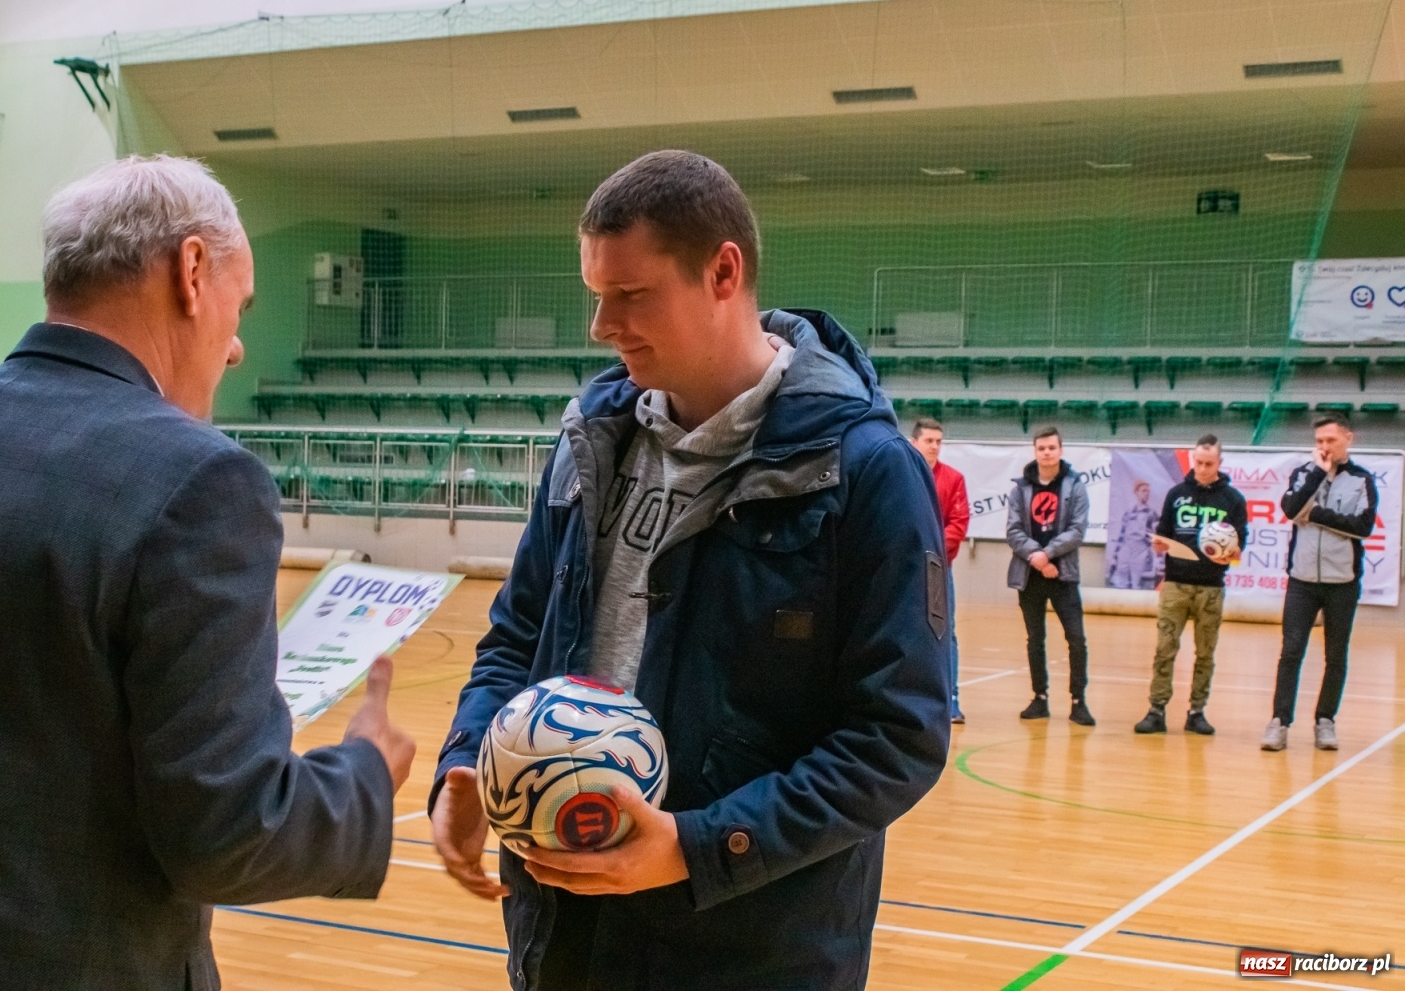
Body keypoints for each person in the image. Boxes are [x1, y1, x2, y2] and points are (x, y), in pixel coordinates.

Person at [0, 156, 415, 990]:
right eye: (240, 308)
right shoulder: (202, 480)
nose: (236, 346)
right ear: (191, 272)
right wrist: (366, 775)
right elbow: (229, 833)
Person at [429, 150, 950, 991]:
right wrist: (468, 756)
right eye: (595, 295)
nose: (601, 325)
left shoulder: (866, 471)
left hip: (752, 947)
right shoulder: (590, 439)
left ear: (722, 271)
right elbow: (517, 634)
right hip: (564, 928)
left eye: (630, 296)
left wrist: (699, 846)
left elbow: (897, 740)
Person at [1262, 414, 1379, 753]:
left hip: (1342, 582)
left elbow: (1362, 526)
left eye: (1331, 440)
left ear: (1348, 439)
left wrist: (1314, 516)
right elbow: (1290, 509)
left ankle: (1325, 721)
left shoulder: (1362, 480)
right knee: (1291, 651)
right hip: (1301, 581)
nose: (1325, 447)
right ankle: (1279, 722)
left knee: (1336, 655)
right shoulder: (1303, 474)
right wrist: (1316, 474)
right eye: (1319, 442)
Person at [1133, 435, 1247, 736]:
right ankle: (1156, 709)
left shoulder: (1233, 500)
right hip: (1175, 585)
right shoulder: (1176, 494)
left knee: (1205, 653)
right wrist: (1159, 545)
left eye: (1209, 464)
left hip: (1211, 588)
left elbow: (1239, 546)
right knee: (1164, 648)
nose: (1203, 468)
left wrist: (1232, 554)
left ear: (1220, 463)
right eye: (1198, 462)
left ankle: (1197, 711)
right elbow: (1163, 533)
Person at [1005, 427, 1095, 726]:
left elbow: (1077, 530)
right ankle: (1039, 698)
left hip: (1063, 574)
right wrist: (1037, 557)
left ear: (1060, 450)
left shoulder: (1075, 485)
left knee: (1077, 638)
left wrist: (1050, 554)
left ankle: (1078, 700)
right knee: (1035, 639)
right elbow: (1013, 530)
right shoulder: (1020, 488)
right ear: (1035, 451)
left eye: (1051, 448)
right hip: (1030, 574)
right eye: (1041, 448)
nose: (1046, 453)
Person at [911, 417, 970, 725]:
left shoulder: (954, 479)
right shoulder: (901, 475)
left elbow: (958, 525)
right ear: (914, 442)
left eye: (938, 441)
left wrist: (926, 553)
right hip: (903, 569)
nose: (934, 446)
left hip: (936, 571)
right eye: (928, 441)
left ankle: (951, 701)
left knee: (946, 635)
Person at [1106, 479, 1160, 590]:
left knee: (1137, 583)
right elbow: (1121, 534)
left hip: (1141, 550)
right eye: (1144, 491)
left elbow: (1156, 535)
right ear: (1136, 492)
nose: (1147, 493)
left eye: (1148, 491)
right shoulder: (1129, 512)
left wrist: (1155, 556)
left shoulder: (1152, 513)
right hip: (1126, 549)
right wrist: (1116, 555)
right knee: (1120, 582)